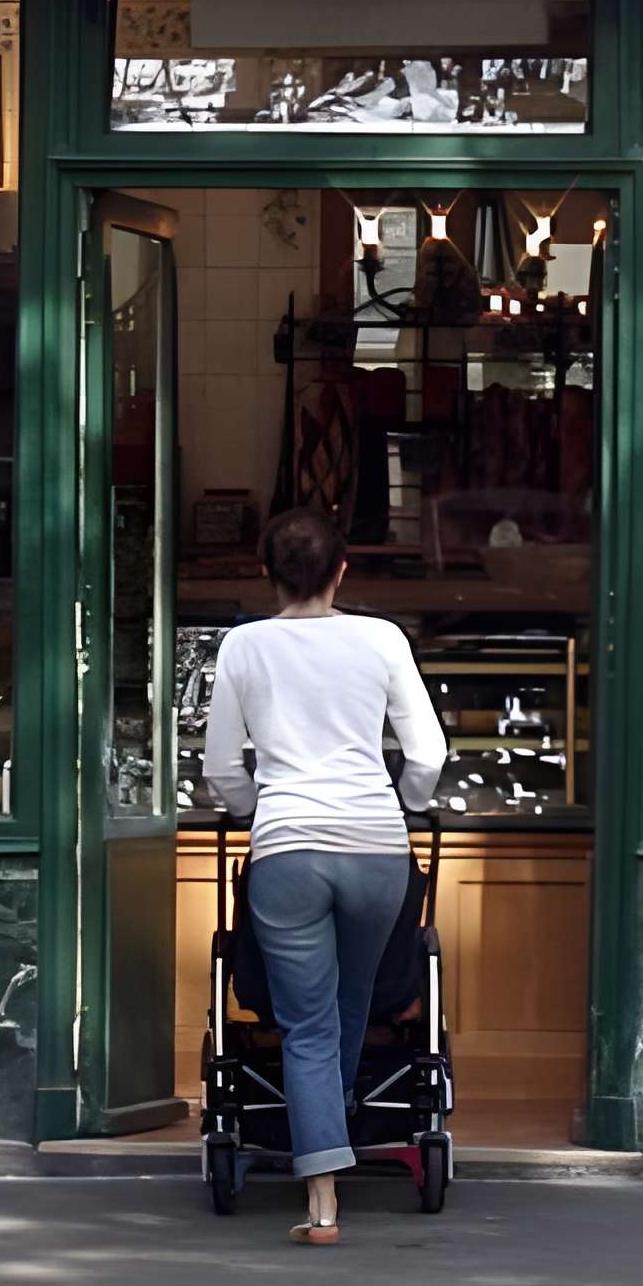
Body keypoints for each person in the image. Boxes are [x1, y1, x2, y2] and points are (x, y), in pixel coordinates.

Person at [202, 507, 449, 1245]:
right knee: (353, 999)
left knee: (306, 1021)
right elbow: (428, 754)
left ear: (266, 572)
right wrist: (403, 802)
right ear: (342, 570)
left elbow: (222, 767)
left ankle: (322, 1202)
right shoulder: (382, 638)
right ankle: (333, 1123)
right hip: (377, 847)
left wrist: (255, 809)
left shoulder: (244, 646)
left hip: (289, 850)